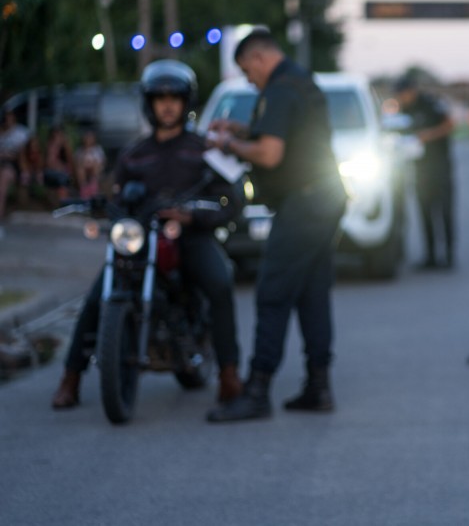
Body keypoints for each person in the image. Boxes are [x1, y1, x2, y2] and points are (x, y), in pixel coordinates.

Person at [51, 60, 243, 409]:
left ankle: (229, 373)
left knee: (219, 281)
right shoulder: (133, 154)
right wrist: (101, 204)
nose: (167, 105)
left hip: (188, 236)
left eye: (174, 98)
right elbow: (117, 194)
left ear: (186, 103)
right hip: (140, 239)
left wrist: (193, 215)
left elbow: (232, 197)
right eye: (160, 98)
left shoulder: (205, 149)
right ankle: (71, 378)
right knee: (96, 297)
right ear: (149, 103)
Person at [205, 29, 346, 422]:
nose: (249, 79)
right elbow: (287, 137)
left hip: (303, 203)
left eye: (248, 71)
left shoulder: (281, 90)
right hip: (324, 198)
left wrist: (227, 145)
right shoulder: (301, 81)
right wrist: (242, 130)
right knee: (312, 292)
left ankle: (257, 390)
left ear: (259, 58)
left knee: (272, 292)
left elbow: (270, 153)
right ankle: (319, 387)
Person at [393, 76, 455, 269]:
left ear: (411, 91)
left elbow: (450, 124)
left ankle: (449, 257)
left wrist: (428, 135)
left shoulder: (430, 104)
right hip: (420, 168)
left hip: (440, 166)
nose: (402, 98)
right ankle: (430, 257)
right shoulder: (404, 109)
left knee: (444, 211)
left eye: (403, 94)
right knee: (424, 212)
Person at [0, 109, 31, 229]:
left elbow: (24, 155)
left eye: (10, 118)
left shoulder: (21, 133)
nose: (8, 121)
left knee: (2, 186)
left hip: (12, 166)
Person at [74, 129, 105, 199]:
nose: (88, 140)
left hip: (94, 169)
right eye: (87, 138)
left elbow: (101, 162)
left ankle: (94, 186)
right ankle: (84, 188)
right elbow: (77, 162)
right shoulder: (80, 150)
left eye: (90, 138)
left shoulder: (98, 149)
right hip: (84, 169)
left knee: (95, 165)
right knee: (80, 169)